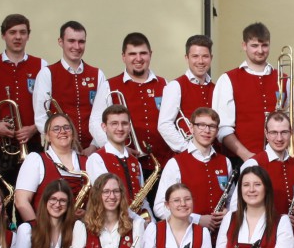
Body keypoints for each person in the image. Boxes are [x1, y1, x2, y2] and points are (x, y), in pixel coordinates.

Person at [0, 14, 45, 180]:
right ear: (3, 35)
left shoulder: (41, 65)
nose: (18, 37)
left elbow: (46, 107)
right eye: (12, 32)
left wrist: (34, 128)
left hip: (32, 143)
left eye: (22, 32)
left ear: (28, 36)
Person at [93, 32, 173, 173]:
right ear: (123, 56)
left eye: (143, 53)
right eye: (132, 54)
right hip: (126, 165)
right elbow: (95, 123)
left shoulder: (165, 84)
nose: (138, 58)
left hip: (164, 164)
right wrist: (116, 149)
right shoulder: (109, 86)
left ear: (150, 54)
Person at [32, 20, 110, 154]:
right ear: (60, 42)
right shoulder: (47, 73)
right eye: (71, 41)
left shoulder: (98, 74)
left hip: (92, 151)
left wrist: (94, 145)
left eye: (81, 42)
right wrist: (63, 144)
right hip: (59, 151)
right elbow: (41, 118)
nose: (77, 46)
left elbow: (103, 116)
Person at [214, 22, 287, 164]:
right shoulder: (227, 79)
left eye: (264, 45)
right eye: (254, 45)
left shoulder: (284, 79)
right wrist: (247, 155)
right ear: (244, 45)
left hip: (279, 159)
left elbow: (293, 120)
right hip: (241, 160)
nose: (260, 50)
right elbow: (223, 128)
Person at [153, 107, 233, 231]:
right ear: (191, 128)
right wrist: (196, 219)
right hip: (188, 234)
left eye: (212, 126)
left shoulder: (225, 162)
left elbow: (232, 201)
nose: (207, 130)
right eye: (201, 125)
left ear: (217, 131)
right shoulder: (175, 163)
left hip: (221, 234)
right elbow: (159, 208)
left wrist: (229, 213)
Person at [233, 111, 294, 225]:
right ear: (266, 133)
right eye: (274, 132)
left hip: (291, 231)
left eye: (284, 132)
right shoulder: (253, 163)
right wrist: (277, 220)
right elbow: (236, 207)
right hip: (264, 232)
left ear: (291, 133)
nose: (279, 138)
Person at [16, 114, 90, 220]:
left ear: (73, 133)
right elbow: (21, 201)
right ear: (47, 136)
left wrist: (86, 215)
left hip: (80, 227)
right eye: (56, 129)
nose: (62, 131)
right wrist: (36, 228)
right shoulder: (35, 160)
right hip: (45, 227)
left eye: (66, 127)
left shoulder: (87, 161)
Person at [87, 105, 147, 217]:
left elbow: (143, 199)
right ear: (104, 127)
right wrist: (137, 219)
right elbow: (105, 198)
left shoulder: (135, 162)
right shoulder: (96, 159)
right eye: (114, 123)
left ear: (129, 127)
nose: (120, 128)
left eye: (124, 123)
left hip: (137, 222)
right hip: (111, 222)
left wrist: (150, 221)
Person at [160, 35, 216, 153]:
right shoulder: (175, 86)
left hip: (213, 153)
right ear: (187, 58)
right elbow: (164, 125)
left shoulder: (216, 88)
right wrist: (188, 149)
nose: (200, 61)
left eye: (205, 56)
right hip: (187, 155)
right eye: (195, 56)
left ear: (211, 58)